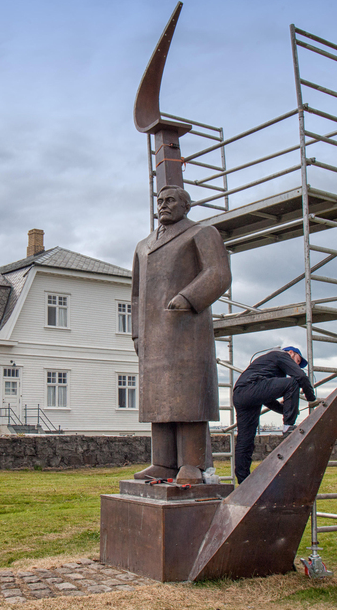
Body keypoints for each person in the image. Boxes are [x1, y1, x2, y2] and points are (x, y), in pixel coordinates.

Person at [131, 185, 232, 484]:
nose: (163, 205)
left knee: (188, 398)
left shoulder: (201, 233)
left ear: (186, 206)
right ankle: (162, 462)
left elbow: (218, 273)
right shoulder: (143, 245)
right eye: (160, 201)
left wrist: (189, 298)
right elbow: (136, 295)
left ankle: (191, 463)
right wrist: (137, 333)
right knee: (158, 400)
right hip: (153, 335)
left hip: (187, 330)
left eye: (171, 200)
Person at [232, 346, 315, 484]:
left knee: (245, 441)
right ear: (291, 353)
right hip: (251, 387)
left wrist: (286, 409)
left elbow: (267, 399)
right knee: (293, 383)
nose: (296, 365)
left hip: (241, 394)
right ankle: (288, 427)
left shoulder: (268, 368)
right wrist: (311, 398)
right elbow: (300, 377)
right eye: (297, 361)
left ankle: (243, 482)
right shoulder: (280, 355)